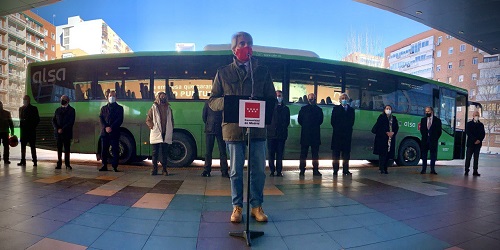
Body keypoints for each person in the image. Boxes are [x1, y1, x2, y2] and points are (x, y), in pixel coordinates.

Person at [208, 32, 275, 223]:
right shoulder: (223, 72)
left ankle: (256, 206)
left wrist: (265, 105)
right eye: (242, 43)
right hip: (233, 130)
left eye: (249, 43)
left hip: (257, 129)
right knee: (236, 171)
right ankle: (237, 207)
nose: (246, 46)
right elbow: (212, 101)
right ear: (233, 48)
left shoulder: (262, 71)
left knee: (259, 171)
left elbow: (271, 99)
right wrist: (228, 103)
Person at [146, 92, 174, 176]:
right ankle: (154, 169)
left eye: (164, 97)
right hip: (157, 132)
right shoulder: (153, 108)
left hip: (166, 132)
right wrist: (152, 127)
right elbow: (148, 119)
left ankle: (164, 170)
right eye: (161, 97)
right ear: (158, 97)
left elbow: (171, 120)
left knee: (164, 153)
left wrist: (171, 127)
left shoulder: (168, 108)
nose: (163, 98)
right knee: (155, 153)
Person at [201, 100, 229, 177]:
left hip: (209, 128)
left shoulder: (208, 102)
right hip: (220, 129)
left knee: (208, 151)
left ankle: (207, 170)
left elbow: (204, 116)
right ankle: (224, 171)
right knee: (222, 151)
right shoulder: (223, 102)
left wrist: (208, 123)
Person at [298, 93, 324, 176]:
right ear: (308, 99)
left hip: (314, 135)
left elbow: (320, 121)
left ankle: (315, 170)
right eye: (310, 98)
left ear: (315, 99)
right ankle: (302, 170)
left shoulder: (319, 110)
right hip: (306, 134)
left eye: (313, 98)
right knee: (303, 154)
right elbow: (300, 120)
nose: (311, 99)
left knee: (315, 154)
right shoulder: (303, 109)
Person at [98, 91, 124, 172]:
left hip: (114, 132)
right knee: (104, 150)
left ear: (116, 98)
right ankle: (104, 165)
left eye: (113, 96)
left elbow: (119, 120)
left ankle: (115, 166)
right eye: (110, 95)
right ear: (107, 97)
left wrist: (111, 127)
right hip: (104, 132)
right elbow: (101, 119)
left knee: (115, 149)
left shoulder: (120, 108)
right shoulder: (103, 108)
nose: (111, 97)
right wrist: (106, 127)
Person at [267, 90, 290, 177]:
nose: (278, 97)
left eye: (280, 96)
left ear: (282, 97)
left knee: (280, 154)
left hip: (281, 135)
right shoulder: (271, 107)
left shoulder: (286, 109)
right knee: (271, 154)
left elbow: (287, 121)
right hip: (271, 134)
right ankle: (272, 171)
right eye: (277, 96)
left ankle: (279, 171)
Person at [331, 93, 355, 176]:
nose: (344, 99)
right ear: (340, 100)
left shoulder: (351, 110)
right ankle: (335, 170)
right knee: (336, 154)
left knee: (346, 154)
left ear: (347, 100)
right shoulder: (336, 109)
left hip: (347, 135)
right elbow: (333, 121)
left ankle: (345, 170)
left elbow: (352, 122)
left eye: (345, 98)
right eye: (342, 98)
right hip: (337, 135)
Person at [371, 105, 399, 174]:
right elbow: (379, 127)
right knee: (382, 154)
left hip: (390, 139)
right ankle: (381, 168)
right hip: (382, 138)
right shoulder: (381, 117)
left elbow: (396, 127)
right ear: (384, 110)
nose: (388, 110)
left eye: (389, 109)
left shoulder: (394, 118)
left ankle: (386, 168)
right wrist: (386, 132)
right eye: (387, 108)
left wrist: (393, 133)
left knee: (388, 154)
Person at [52, 95, 76, 169]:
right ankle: (59, 163)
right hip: (58, 133)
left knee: (67, 149)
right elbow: (53, 120)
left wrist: (63, 129)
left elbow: (71, 122)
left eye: (64, 99)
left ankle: (67, 164)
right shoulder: (58, 110)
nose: (62, 101)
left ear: (68, 101)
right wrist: (57, 128)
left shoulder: (72, 110)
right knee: (59, 149)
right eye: (61, 99)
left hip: (66, 133)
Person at [18, 95, 40, 167]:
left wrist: (32, 126)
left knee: (32, 147)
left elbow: (37, 119)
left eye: (26, 99)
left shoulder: (34, 108)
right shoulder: (21, 109)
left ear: (29, 100)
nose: (24, 100)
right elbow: (20, 119)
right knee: (23, 147)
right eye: (24, 99)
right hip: (23, 131)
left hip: (31, 131)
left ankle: (35, 161)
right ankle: (23, 160)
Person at [420, 106, 442, 174]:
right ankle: (423, 169)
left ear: (432, 111)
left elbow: (439, 131)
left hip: (433, 141)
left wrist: (435, 138)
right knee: (424, 155)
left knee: (433, 155)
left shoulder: (437, 120)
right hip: (425, 140)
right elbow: (422, 130)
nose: (427, 113)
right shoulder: (423, 120)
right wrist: (425, 136)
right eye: (426, 112)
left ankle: (432, 169)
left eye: (428, 111)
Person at [464, 111, 484, 176]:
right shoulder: (469, 124)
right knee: (468, 158)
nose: (477, 116)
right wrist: (475, 140)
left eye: (478, 115)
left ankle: (475, 171)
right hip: (470, 144)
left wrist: (479, 140)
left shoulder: (481, 125)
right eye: (476, 115)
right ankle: (466, 170)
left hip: (478, 144)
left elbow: (483, 134)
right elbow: (468, 133)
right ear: (473, 116)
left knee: (476, 158)